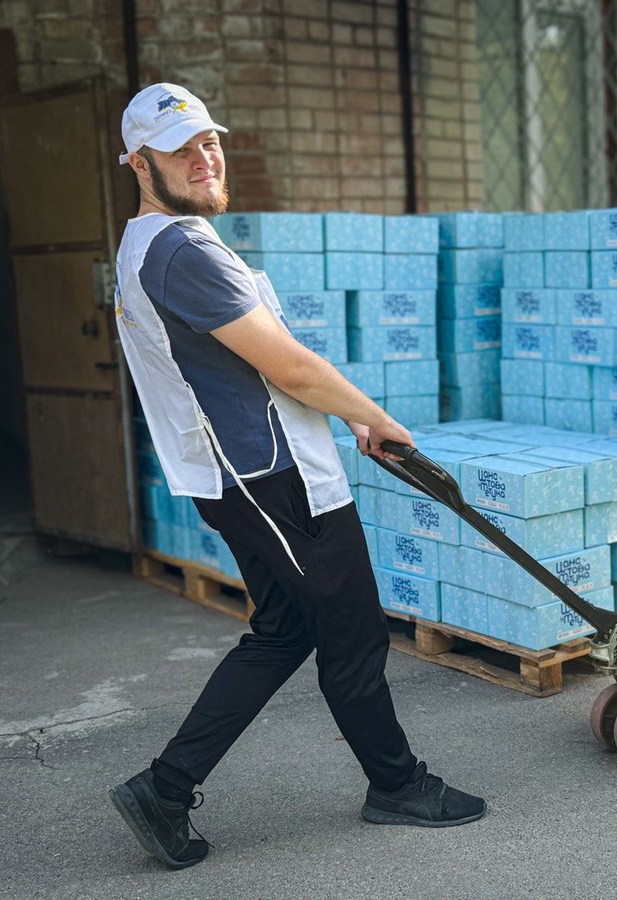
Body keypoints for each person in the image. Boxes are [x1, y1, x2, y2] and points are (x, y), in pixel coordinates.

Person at [108, 83, 486, 870]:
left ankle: (165, 788)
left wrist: (347, 417)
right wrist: (369, 415)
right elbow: (286, 364)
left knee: (285, 628)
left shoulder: (160, 242)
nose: (204, 157)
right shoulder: (178, 249)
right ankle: (398, 785)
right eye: (181, 149)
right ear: (140, 163)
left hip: (245, 474)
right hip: (268, 475)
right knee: (350, 628)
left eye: (209, 140)